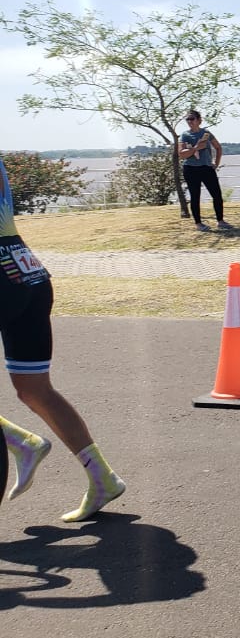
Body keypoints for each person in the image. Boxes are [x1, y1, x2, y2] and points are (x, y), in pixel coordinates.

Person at [0, 153, 126, 521]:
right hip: (26, 269)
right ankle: (102, 477)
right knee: (34, 389)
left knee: (34, 388)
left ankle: (19, 441)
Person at [177, 109, 230, 231]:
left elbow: (218, 147)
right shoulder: (185, 135)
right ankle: (198, 224)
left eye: (192, 119)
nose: (189, 121)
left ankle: (220, 221)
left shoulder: (206, 133)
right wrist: (196, 148)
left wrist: (216, 164)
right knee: (195, 196)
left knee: (217, 195)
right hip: (191, 169)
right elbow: (181, 154)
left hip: (206, 168)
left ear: (199, 120)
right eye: (187, 119)